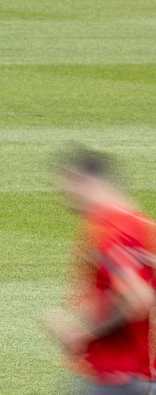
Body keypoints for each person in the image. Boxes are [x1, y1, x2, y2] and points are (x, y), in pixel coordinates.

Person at [48, 146, 155, 394]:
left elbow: (136, 296)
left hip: (113, 374)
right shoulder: (141, 224)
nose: (64, 195)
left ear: (84, 181)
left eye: (66, 185)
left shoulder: (109, 227)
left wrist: (82, 332)